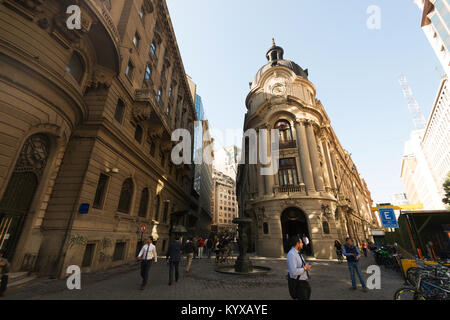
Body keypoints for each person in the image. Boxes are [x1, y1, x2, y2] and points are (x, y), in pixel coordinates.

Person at [286, 236, 312, 300]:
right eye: (301, 242)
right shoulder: (291, 254)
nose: (302, 244)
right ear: (297, 244)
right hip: (299, 284)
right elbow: (294, 272)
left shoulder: (298, 253)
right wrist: (304, 268)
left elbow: (300, 266)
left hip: (304, 282)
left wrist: (305, 267)